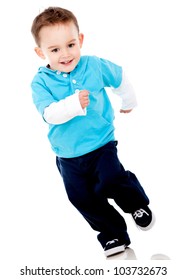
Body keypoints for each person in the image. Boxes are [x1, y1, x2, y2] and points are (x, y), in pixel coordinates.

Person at [30, 6, 155, 257]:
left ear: (81, 41)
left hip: (101, 143)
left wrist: (128, 102)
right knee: (82, 198)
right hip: (68, 155)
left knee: (111, 179)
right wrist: (73, 104)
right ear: (40, 52)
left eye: (70, 45)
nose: (65, 54)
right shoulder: (40, 82)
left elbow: (119, 78)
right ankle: (113, 235)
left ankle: (136, 204)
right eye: (54, 50)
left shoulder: (94, 65)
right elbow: (48, 114)